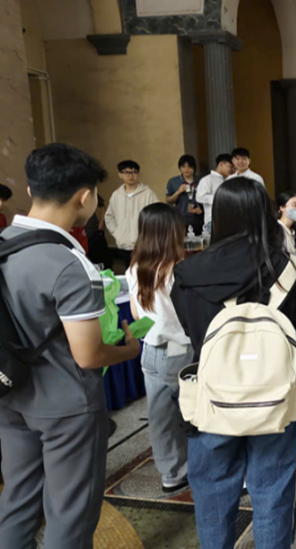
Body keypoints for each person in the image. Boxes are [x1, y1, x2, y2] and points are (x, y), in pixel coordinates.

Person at [0, 143, 141, 548]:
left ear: (31, 191)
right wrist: (128, 350)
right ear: (84, 197)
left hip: (11, 394)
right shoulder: (69, 262)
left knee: (18, 500)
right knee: (70, 512)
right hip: (66, 407)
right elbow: (89, 353)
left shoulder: (4, 242)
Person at [171, 177, 296, 548]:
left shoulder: (189, 273)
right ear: (266, 213)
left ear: (218, 215)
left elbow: (192, 329)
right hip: (277, 397)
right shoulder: (290, 269)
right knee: (273, 489)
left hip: (213, 396)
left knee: (213, 493)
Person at [126, 204, 193, 493]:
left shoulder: (135, 268)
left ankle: (171, 474)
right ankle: (209, 468)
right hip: (181, 350)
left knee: (160, 416)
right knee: (195, 413)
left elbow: (137, 315)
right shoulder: (180, 269)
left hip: (151, 350)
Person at [105, 160, 159, 268]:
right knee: (128, 274)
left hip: (143, 245)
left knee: (144, 274)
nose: (131, 175)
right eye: (127, 172)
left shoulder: (148, 193)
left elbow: (157, 215)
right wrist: (117, 233)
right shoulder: (116, 195)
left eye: (134, 172)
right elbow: (109, 217)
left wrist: (148, 236)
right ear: (120, 174)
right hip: (123, 245)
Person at [166, 154, 204, 235]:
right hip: (180, 219)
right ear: (180, 168)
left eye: (189, 166)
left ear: (194, 168)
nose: (186, 169)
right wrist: (178, 192)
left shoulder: (201, 181)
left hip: (198, 219)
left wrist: (201, 210)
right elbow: (168, 200)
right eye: (183, 167)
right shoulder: (173, 181)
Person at [196, 153, 234, 230]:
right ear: (221, 164)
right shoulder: (207, 179)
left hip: (228, 220)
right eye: (230, 166)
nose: (232, 170)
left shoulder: (228, 180)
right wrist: (220, 198)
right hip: (213, 221)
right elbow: (199, 197)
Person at [85, 194, 112, 268]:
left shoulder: (93, 195)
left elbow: (102, 206)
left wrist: (102, 223)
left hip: (95, 234)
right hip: (84, 234)